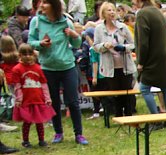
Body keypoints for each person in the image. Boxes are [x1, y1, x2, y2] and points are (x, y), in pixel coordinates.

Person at [28, 0, 88, 144]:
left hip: (67, 66)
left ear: (54, 6)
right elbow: (30, 41)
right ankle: (58, 132)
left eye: (46, 3)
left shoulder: (66, 22)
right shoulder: (36, 22)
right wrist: (40, 44)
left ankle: (79, 134)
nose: (42, 5)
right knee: (53, 102)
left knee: (73, 102)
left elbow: (77, 44)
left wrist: (75, 35)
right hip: (48, 68)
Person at [134, 0, 166, 124]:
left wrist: (140, 61)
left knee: (144, 88)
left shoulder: (142, 14)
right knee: (165, 86)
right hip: (165, 55)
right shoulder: (158, 12)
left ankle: (156, 119)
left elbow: (143, 41)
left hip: (153, 57)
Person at [93, 2, 135, 117]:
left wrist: (124, 48)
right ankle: (118, 115)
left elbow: (133, 44)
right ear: (103, 13)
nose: (112, 12)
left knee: (127, 92)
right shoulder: (99, 29)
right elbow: (95, 47)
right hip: (109, 66)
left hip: (125, 65)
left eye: (113, 10)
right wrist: (104, 46)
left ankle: (129, 114)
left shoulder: (123, 27)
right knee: (115, 93)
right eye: (109, 10)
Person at [10, 43, 55, 147]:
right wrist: (19, 99)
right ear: (19, 55)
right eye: (24, 54)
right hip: (26, 100)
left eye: (30, 54)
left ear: (34, 55)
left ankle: (41, 140)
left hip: (38, 98)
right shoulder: (17, 69)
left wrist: (47, 98)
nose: (27, 56)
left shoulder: (38, 68)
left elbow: (43, 84)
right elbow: (17, 85)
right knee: (27, 121)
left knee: (39, 121)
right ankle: (25, 141)